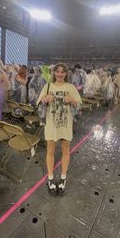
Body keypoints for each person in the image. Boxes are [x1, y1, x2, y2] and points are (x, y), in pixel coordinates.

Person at [37, 63, 82, 196]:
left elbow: (79, 106)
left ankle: (63, 178)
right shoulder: (48, 86)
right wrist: (45, 99)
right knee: (50, 150)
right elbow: (38, 104)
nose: (60, 74)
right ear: (54, 73)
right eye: (57, 72)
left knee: (65, 151)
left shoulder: (70, 87)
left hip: (65, 125)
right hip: (51, 124)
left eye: (62, 72)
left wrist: (72, 100)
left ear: (66, 73)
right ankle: (50, 178)